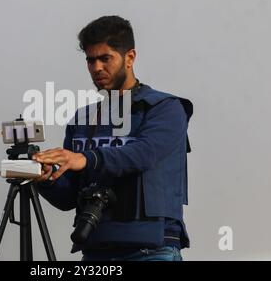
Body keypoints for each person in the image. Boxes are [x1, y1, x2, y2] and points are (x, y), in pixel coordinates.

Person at [32, 15, 193, 261]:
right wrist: (46, 178)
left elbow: (143, 154)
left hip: (152, 250)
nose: (97, 68)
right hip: (96, 250)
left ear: (130, 57)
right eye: (90, 60)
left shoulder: (166, 109)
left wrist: (85, 159)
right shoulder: (82, 118)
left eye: (105, 58)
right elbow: (68, 197)